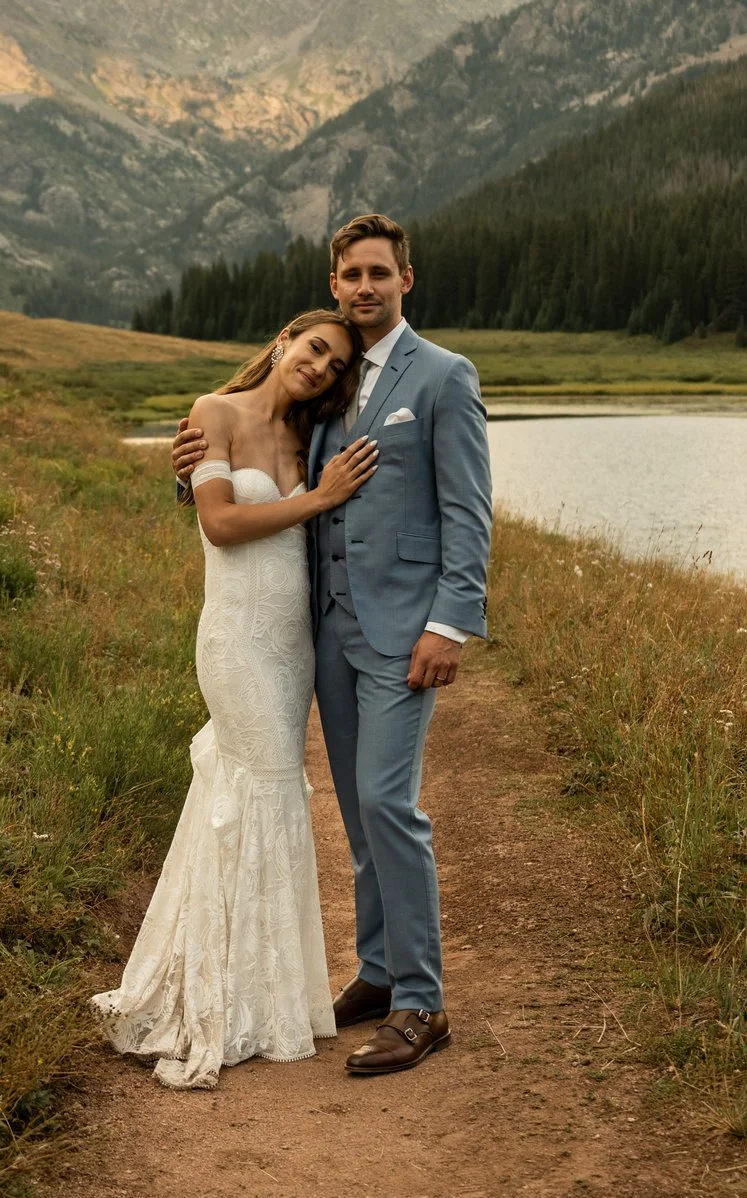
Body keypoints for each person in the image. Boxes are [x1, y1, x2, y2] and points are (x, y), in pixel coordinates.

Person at [170, 214, 493, 1077]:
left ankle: (422, 1000)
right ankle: (380, 972)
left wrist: (450, 623)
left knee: (391, 805)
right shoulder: (331, 389)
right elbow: (256, 473)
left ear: (406, 280)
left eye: (379, 273)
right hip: (325, 632)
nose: (364, 287)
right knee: (356, 813)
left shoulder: (445, 377)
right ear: (333, 284)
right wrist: (189, 475)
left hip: (403, 633)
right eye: (351, 274)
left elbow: (468, 512)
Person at [93, 309, 377, 1089]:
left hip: (293, 650)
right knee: (258, 789)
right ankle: (217, 995)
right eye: (315, 348)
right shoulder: (212, 413)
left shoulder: (311, 438)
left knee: (269, 797)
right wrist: (316, 500)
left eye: (336, 364)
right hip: (236, 640)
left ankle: (263, 989)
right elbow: (219, 523)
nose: (320, 366)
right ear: (285, 340)